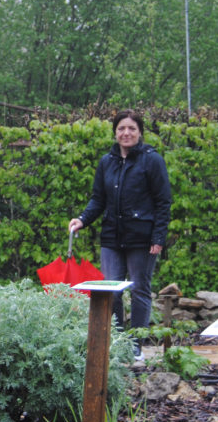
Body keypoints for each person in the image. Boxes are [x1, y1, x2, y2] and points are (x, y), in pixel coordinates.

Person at [68, 109, 172, 359]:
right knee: (110, 290)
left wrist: (158, 237)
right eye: (121, 128)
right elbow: (98, 199)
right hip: (112, 237)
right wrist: (82, 219)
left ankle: (135, 346)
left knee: (139, 290)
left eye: (131, 128)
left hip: (142, 238)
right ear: (115, 133)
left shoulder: (152, 160)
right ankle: (115, 342)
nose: (126, 133)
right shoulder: (107, 162)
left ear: (140, 132)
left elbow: (163, 202)